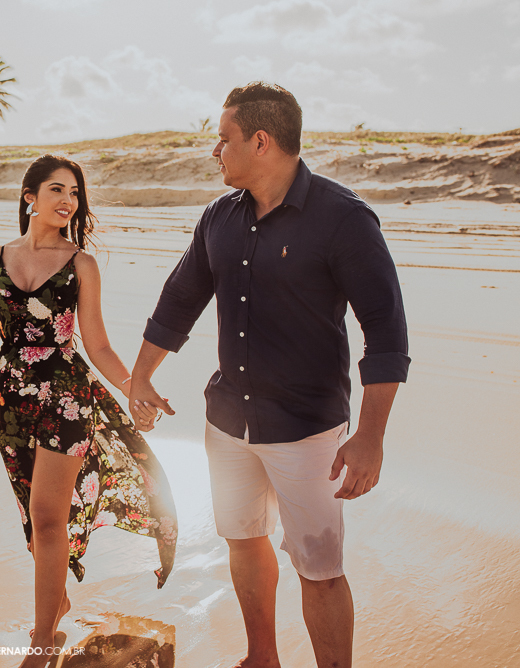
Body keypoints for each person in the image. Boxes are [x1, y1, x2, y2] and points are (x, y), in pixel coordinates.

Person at [129, 83, 410, 668]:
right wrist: (140, 378)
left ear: (261, 141)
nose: (215, 151)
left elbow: (385, 333)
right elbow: (179, 301)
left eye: (223, 138)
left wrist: (371, 437)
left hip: (308, 431)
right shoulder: (218, 219)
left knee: (320, 567)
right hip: (229, 421)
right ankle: (263, 658)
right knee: (243, 541)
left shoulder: (344, 219)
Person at [0, 154, 178, 667]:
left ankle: (42, 639)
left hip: (66, 399)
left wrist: (134, 387)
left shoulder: (81, 264)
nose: (67, 200)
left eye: (74, 193)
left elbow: (96, 344)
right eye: (56, 189)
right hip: (9, 401)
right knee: (35, 520)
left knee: (49, 517)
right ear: (29, 197)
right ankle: (55, 601)